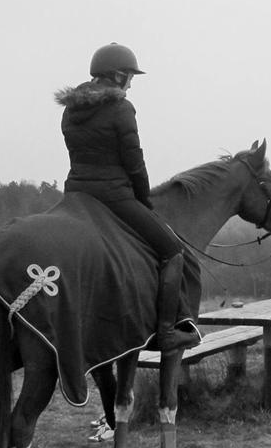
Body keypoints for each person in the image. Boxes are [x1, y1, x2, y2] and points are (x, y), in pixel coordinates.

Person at [54, 42, 201, 352]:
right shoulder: (121, 108)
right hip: (114, 197)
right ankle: (167, 332)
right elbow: (134, 162)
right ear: (118, 76)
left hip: (77, 193)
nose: (132, 83)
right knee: (173, 250)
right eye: (130, 76)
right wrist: (143, 199)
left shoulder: (71, 109)